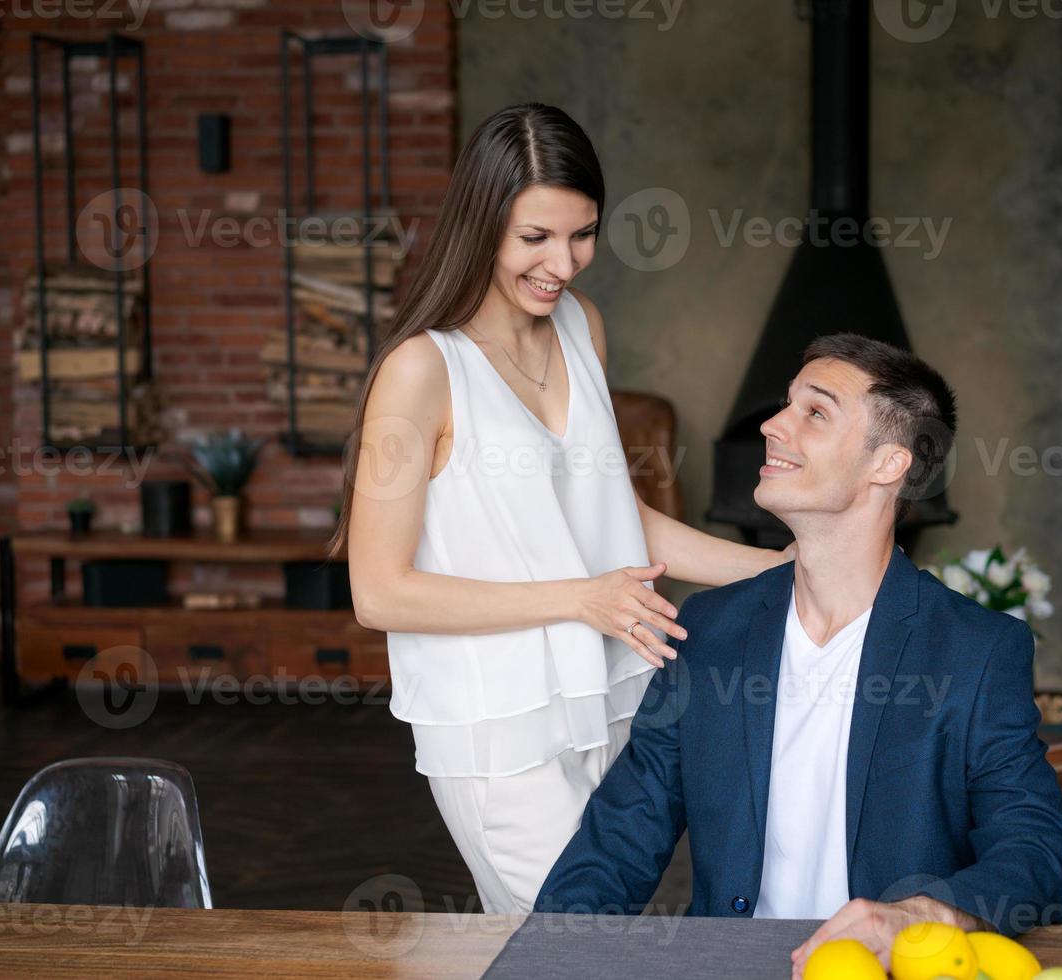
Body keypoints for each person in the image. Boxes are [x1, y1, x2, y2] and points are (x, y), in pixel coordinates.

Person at [336, 103, 790, 914]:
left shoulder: (582, 326)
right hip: (497, 727)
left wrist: (783, 568)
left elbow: (611, 518)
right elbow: (379, 594)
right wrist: (582, 599)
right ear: (482, 225)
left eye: (581, 235)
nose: (563, 263)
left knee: (570, 942)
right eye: (535, 238)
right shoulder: (421, 371)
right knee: (588, 946)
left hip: (606, 692)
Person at [536, 333, 1062, 974]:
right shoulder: (711, 631)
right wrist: (549, 956)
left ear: (889, 465)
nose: (773, 425)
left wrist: (922, 913)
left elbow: (1043, 851)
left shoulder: (976, 650)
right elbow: (620, 838)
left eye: (815, 413)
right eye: (785, 405)